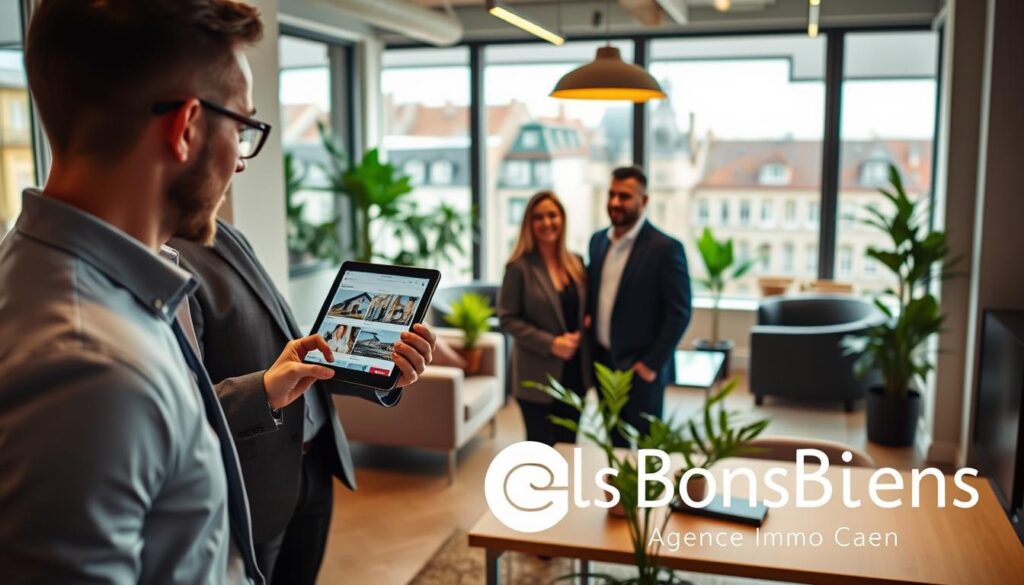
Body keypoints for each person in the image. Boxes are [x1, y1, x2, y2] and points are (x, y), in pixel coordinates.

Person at [0, 2, 276, 582]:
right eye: (244, 128)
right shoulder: (87, 365)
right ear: (188, 128)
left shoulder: (65, 279)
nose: (241, 164)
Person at [171, 220, 434, 584]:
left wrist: (382, 376)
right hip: (256, 485)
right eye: (237, 156)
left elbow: (301, 361)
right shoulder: (166, 261)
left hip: (317, 460)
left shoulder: (229, 234)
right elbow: (182, 410)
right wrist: (263, 389)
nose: (241, 166)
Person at [587, 167, 692, 447]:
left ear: (643, 201)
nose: (615, 202)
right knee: (615, 443)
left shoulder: (666, 248)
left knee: (647, 448)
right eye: (611, 195)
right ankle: (620, 493)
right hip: (605, 366)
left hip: (641, 369)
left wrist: (651, 364)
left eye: (625, 196)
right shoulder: (598, 242)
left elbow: (679, 312)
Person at [498, 191, 591, 446]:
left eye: (553, 215)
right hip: (536, 372)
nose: (547, 222)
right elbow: (507, 318)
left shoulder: (577, 262)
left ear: (562, 218)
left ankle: (566, 488)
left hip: (575, 372)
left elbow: (584, 311)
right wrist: (552, 343)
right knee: (540, 448)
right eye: (538, 217)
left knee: (569, 445)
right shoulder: (518, 268)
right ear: (529, 223)